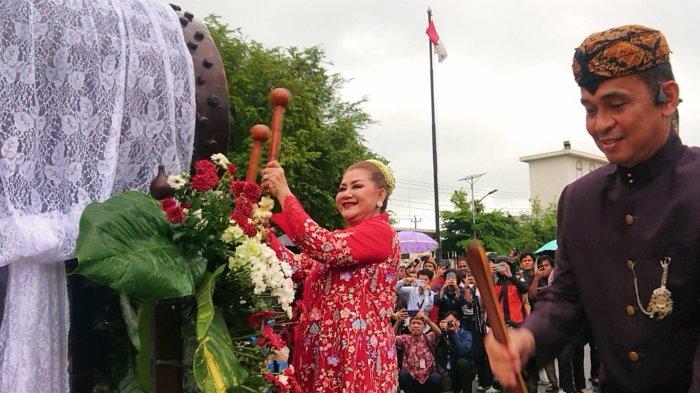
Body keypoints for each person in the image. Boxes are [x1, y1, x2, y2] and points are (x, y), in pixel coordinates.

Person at [485, 25, 700, 393]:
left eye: (616, 105)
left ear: (667, 98)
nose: (600, 125)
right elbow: (567, 297)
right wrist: (528, 340)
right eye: (590, 109)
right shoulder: (580, 200)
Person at [262, 159, 399, 392]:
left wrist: (283, 192)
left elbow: (322, 244)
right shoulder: (340, 239)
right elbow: (293, 266)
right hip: (318, 355)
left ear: (380, 195)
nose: (346, 194)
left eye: (356, 186)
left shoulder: (380, 232)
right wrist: (263, 234)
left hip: (355, 356)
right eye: (342, 188)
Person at [394, 311, 442, 393]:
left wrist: (428, 320)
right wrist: (398, 322)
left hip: (427, 378)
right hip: (411, 380)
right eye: (413, 323)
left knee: (436, 377)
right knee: (402, 375)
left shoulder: (429, 337)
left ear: (424, 327)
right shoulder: (404, 338)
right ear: (409, 327)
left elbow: (439, 333)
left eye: (419, 323)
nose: (416, 326)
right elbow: (390, 338)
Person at [429, 311, 475, 393]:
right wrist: (441, 330)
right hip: (450, 370)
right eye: (447, 322)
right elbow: (437, 344)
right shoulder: (445, 334)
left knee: (462, 362)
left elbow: (462, 351)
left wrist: (454, 333)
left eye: (451, 321)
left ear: (458, 322)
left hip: (465, 371)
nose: (449, 324)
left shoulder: (466, 334)